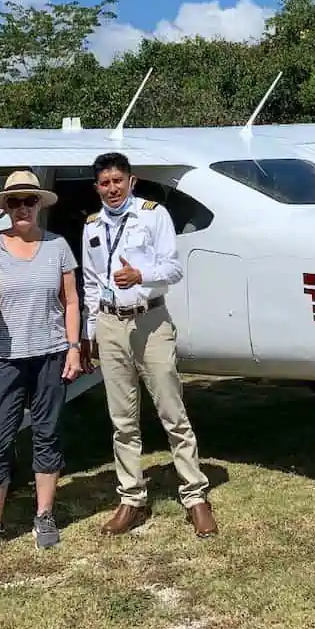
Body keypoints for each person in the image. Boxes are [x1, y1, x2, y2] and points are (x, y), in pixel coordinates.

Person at [81, 151, 217, 538]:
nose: (112, 189)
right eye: (104, 183)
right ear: (97, 188)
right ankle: (131, 499)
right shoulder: (91, 226)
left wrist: (140, 275)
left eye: (117, 181)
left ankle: (195, 495)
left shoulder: (153, 214)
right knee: (121, 420)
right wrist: (91, 332)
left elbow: (173, 268)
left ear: (131, 181)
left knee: (172, 412)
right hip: (110, 323)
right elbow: (91, 283)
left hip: (150, 320)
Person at [0, 169, 82, 557]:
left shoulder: (58, 246)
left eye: (28, 201)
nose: (22, 208)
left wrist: (73, 347)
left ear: (38, 205)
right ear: (5, 208)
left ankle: (44, 514)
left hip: (50, 353)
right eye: (14, 202)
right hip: (6, 359)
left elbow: (71, 301)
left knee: (47, 434)